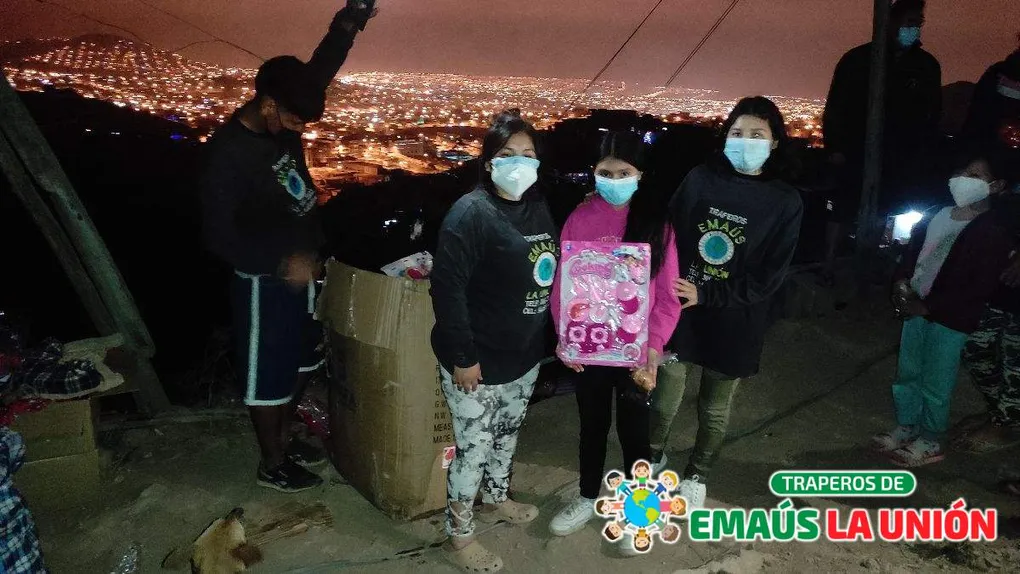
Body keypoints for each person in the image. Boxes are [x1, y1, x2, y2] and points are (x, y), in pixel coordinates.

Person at [199, 1, 377, 493]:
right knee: (268, 374)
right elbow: (218, 236)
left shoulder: (288, 99)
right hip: (264, 282)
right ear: (267, 104)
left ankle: (282, 437)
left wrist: (350, 19)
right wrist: (281, 265)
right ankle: (271, 464)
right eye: (296, 121)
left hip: (306, 270)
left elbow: (322, 66)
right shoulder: (228, 155)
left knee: (303, 361)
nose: (302, 130)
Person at [651, 97, 804, 513]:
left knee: (715, 407)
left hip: (736, 320)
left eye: (757, 134)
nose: (745, 141)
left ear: (775, 142)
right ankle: (652, 458)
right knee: (663, 400)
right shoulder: (700, 179)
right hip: (680, 312)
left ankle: (697, 474)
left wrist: (709, 294)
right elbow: (666, 232)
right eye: (737, 133)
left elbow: (770, 276)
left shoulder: (784, 200)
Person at [429, 110, 558, 573]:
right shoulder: (470, 214)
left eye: (528, 154)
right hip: (478, 359)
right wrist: (464, 356)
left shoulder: (537, 205)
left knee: (507, 433)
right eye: (508, 154)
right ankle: (460, 537)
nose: (519, 163)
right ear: (488, 162)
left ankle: (498, 497)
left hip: (524, 353)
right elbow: (447, 290)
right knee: (473, 448)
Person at [548, 132, 682, 544]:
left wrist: (653, 349)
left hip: (634, 354)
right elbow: (563, 285)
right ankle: (588, 495)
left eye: (624, 172)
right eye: (606, 172)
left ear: (640, 174)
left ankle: (639, 512)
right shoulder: (580, 217)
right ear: (594, 173)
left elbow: (667, 297)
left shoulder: (658, 224)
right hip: (589, 347)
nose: (614, 180)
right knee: (591, 425)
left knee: (634, 432)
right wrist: (565, 337)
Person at [873, 147, 1016, 467]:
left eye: (976, 175)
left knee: (936, 381)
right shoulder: (937, 215)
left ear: (996, 186)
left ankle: (931, 438)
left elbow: (978, 285)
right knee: (908, 372)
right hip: (915, 308)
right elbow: (912, 255)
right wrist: (901, 282)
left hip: (952, 318)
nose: (964, 179)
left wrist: (927, 306)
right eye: (962, 172)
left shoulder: (992, 231)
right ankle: (907, 425)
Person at [821, 0, 942, 284]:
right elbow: (836, 106)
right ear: (890, 22)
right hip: (854, 150)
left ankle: (866, 263)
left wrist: (920, 153)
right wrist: (835, 147)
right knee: (843, 207)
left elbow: (932, 114)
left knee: (883, 209)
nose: (914, 28)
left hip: (898, 155)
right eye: (909, 22)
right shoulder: (858, 59)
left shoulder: (925, 66)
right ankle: (828, 265)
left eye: (918, 23)